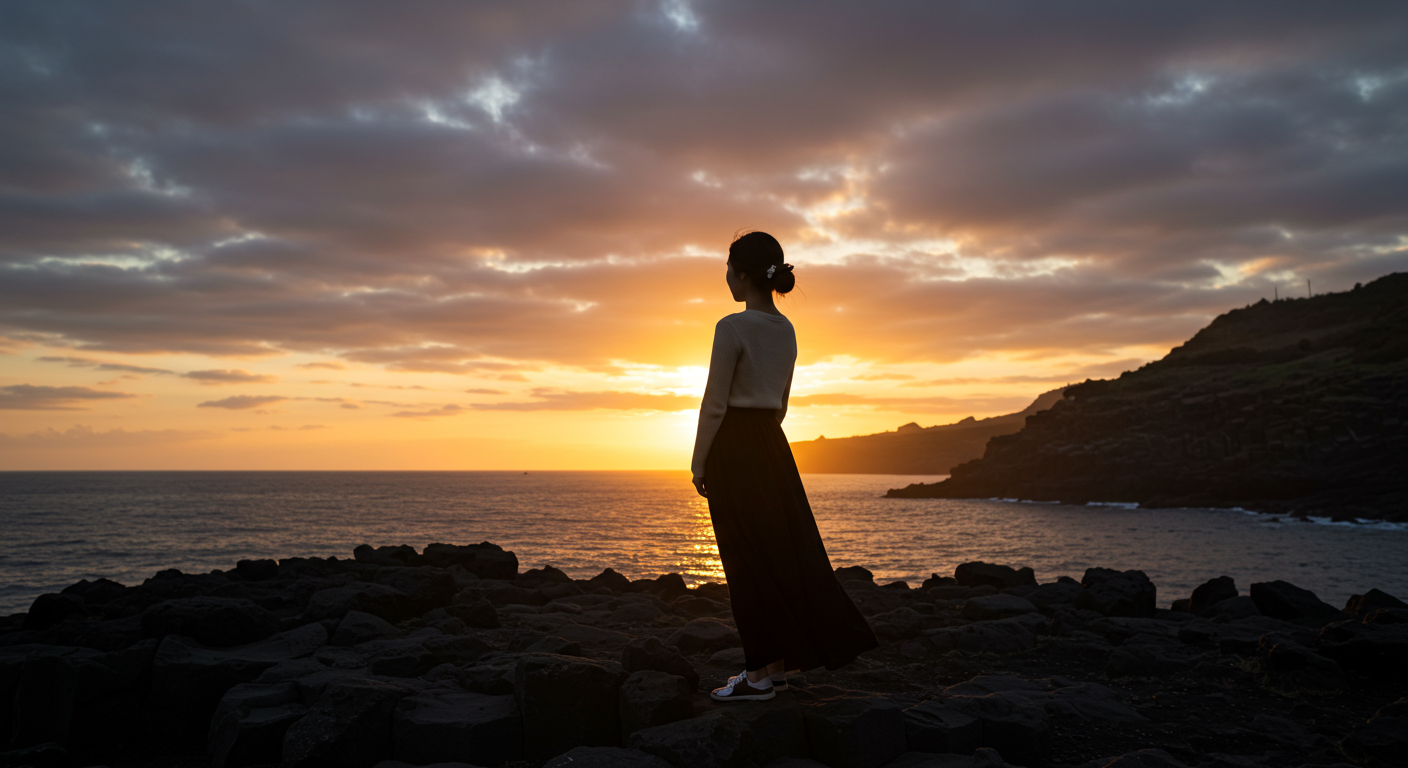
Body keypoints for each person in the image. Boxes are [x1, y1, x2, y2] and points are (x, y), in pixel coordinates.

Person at [691, 231, 879, 702]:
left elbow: (715, 404)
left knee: (745, 561)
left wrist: (699, 461)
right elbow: (781, 403)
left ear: (743, 273)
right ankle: (773, 669)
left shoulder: (731, 327)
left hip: (734, 445)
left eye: (728, 267)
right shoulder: (788, 329)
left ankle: (757, 677)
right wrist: (763, 438)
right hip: (772, 445)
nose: (726, 276)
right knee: (778, 555)